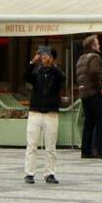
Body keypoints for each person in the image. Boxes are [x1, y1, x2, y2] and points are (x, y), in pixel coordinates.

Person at [23, 47, 65, 184]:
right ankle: (29, 173)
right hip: (35, 112)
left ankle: (50, 173)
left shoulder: (56, 72)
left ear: (52, 58)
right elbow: (25, 76)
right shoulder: (37, 72)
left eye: (46, 55)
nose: (43, 58)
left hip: (51, 113)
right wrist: (31, 62)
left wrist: (51, 66)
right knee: (32, 144)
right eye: (42, 55)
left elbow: (63, 78)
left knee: (51, 145)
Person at [76, 35, 102, 159]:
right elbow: (94, 72)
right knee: (101, 120)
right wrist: (101, 82)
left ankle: (86, 150)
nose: (99, 45)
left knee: (89, 122)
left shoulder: (81, 58)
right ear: (92, 46)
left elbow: (82, 75)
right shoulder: (95, 57)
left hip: (84, 93)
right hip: (93, 92)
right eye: (97, 43)